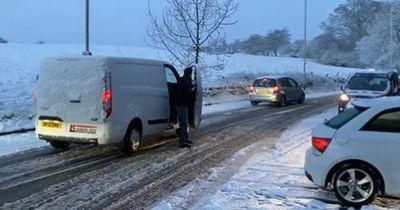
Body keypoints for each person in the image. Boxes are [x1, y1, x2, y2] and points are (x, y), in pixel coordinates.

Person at [175, 67, 194, 148]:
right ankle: (182, 142)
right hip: (181, 105)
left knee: (185, 123)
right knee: (184, 124)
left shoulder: (183, 79)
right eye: (191, 73)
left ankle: (185, 139)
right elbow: (186, 92)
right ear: (189, 73)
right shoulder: (185, 81)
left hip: (182, 104)